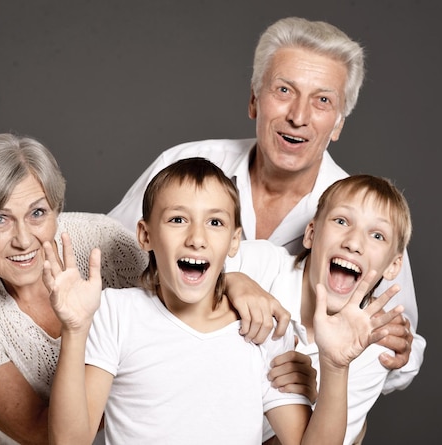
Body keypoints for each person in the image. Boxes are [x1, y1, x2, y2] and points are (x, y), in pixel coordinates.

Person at [105, 16, 425, 404]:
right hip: (158, 395)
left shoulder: (362, 218)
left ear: (338, 123)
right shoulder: (185, 166)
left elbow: (393, 348)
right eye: (284, 90)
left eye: (323, 100)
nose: (299, 115)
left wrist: (398, 352)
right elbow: (111, 262)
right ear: (254, 99)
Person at [43, 158, 404, 445]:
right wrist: (74, 330)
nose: (197, 238)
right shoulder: (115, 313)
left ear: (234, 242)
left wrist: (335, 367)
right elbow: (68, 441)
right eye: (178, 219)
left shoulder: (265, 329)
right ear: (146, 234)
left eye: (214, 223)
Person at [0, 133, 150, 445]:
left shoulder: (105, 242)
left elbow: (186, 314)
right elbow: (43, 436)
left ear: (56, 209)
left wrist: (232, 281)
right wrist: (153, 395)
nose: (24, 239)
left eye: (38, 213)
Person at [226, 174, 413, 444]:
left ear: (394, 266)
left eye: (377, 235)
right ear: (311, 233)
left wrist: (321, 389)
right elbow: (169, 285)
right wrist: (231, 282)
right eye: (341, 221)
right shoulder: (259, 263)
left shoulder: (375, 350)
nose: (354, 243)